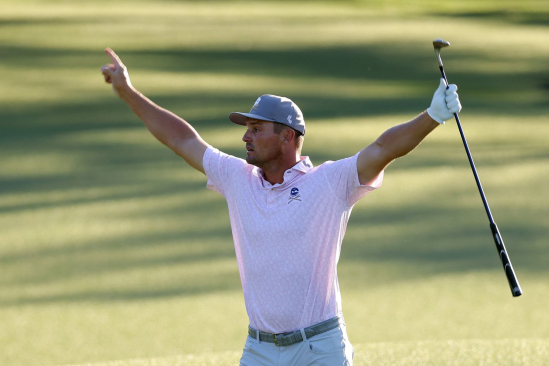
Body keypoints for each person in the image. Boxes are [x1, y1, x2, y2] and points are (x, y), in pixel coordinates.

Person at [101, 48, 461, 366]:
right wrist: (127, 92)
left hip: (319, 348)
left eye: (257, 129)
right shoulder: (236, 177)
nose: (245, 137)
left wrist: (432, 114)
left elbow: (383, 149)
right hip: (259, 350)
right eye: (247, 129)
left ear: (287, 136)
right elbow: (182, 138)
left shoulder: (329, 182)